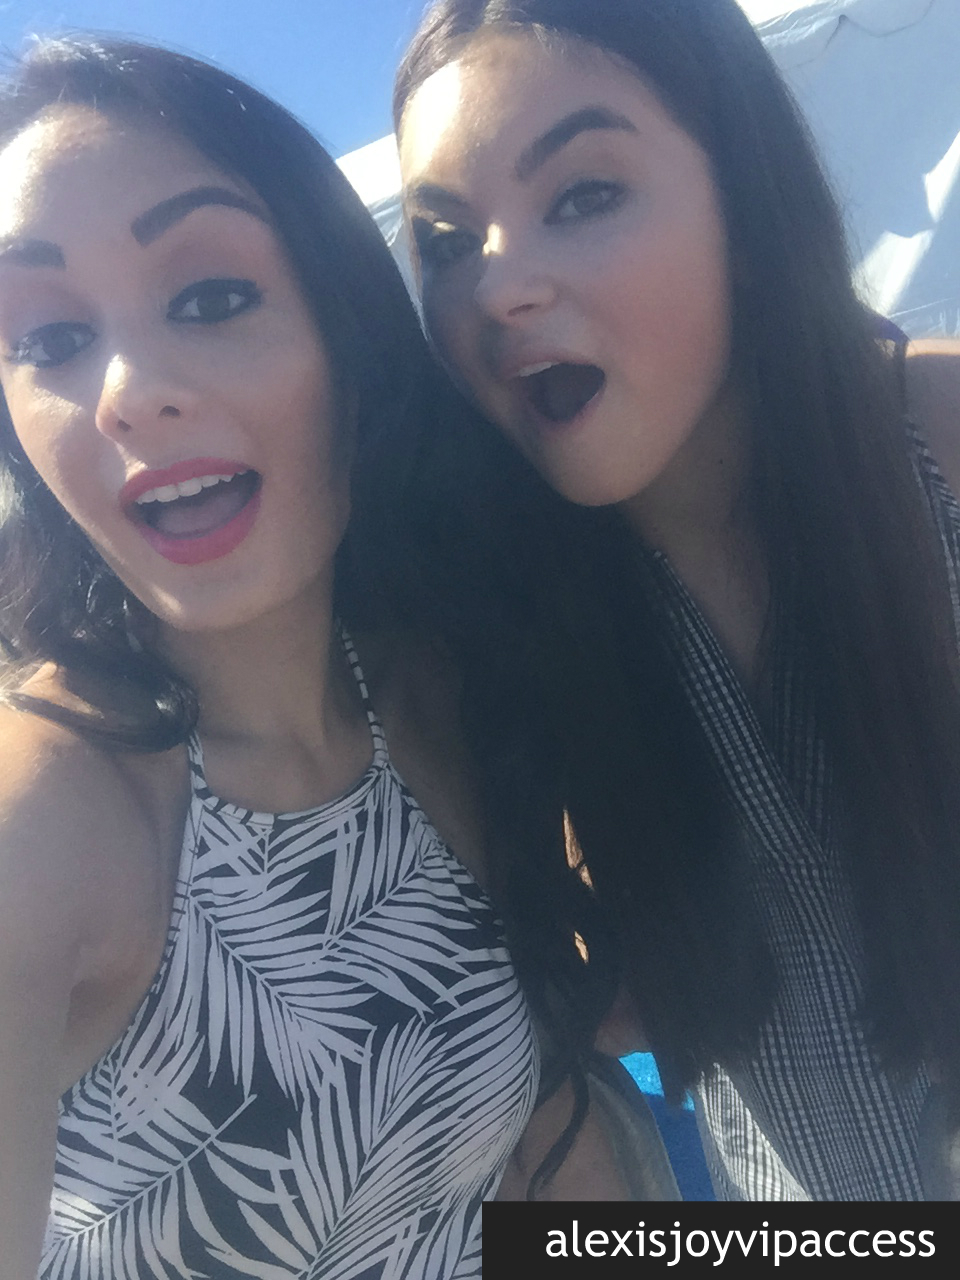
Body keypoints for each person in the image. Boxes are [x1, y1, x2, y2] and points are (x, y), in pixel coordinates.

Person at [392, 0, 960, 1200]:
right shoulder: (508, 630)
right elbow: (612, 1002)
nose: (497, 287)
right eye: (447, 242)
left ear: (744, 207)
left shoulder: (937, 441)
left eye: (583, 194)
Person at [0, 35, 548, 1277]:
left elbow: (517, 1164)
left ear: (351, 337)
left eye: (209, 297)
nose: (126, 390)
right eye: (49, 338)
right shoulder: (48, 811)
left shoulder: (423, 696)